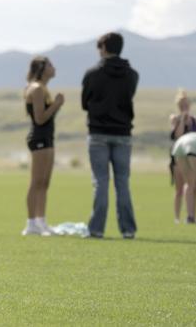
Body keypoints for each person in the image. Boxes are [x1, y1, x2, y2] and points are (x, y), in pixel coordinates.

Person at [81, 32, 139, 239]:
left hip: (98, 133)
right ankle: (128, 230)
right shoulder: (132, 75)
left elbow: (84, 103)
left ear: (104, 48)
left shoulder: (92, 74)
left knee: (101, 182)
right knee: (122, 182)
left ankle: (96, 229)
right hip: (123, 133)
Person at [21, 57, 64, 236]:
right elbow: (40, 118)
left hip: (47, 137)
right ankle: (30, 224)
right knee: (36, 181)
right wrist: (56, 105)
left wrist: (54, 105)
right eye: (50, 65)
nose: (54, 68)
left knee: (44, 183)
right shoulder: (37, 89)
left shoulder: (42, 88)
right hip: (39, 137)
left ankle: (41, 222)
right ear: (42, 68)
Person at [168, 88, 196, 223]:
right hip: (178, 156)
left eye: (186, 105)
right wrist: (182, 120)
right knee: (179, 189)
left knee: (194, 187)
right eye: (182, 105)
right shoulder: (174, 118)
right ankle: (177, 218)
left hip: (193, 158)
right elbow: (178, 135)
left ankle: (192, 215)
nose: (185, 107)